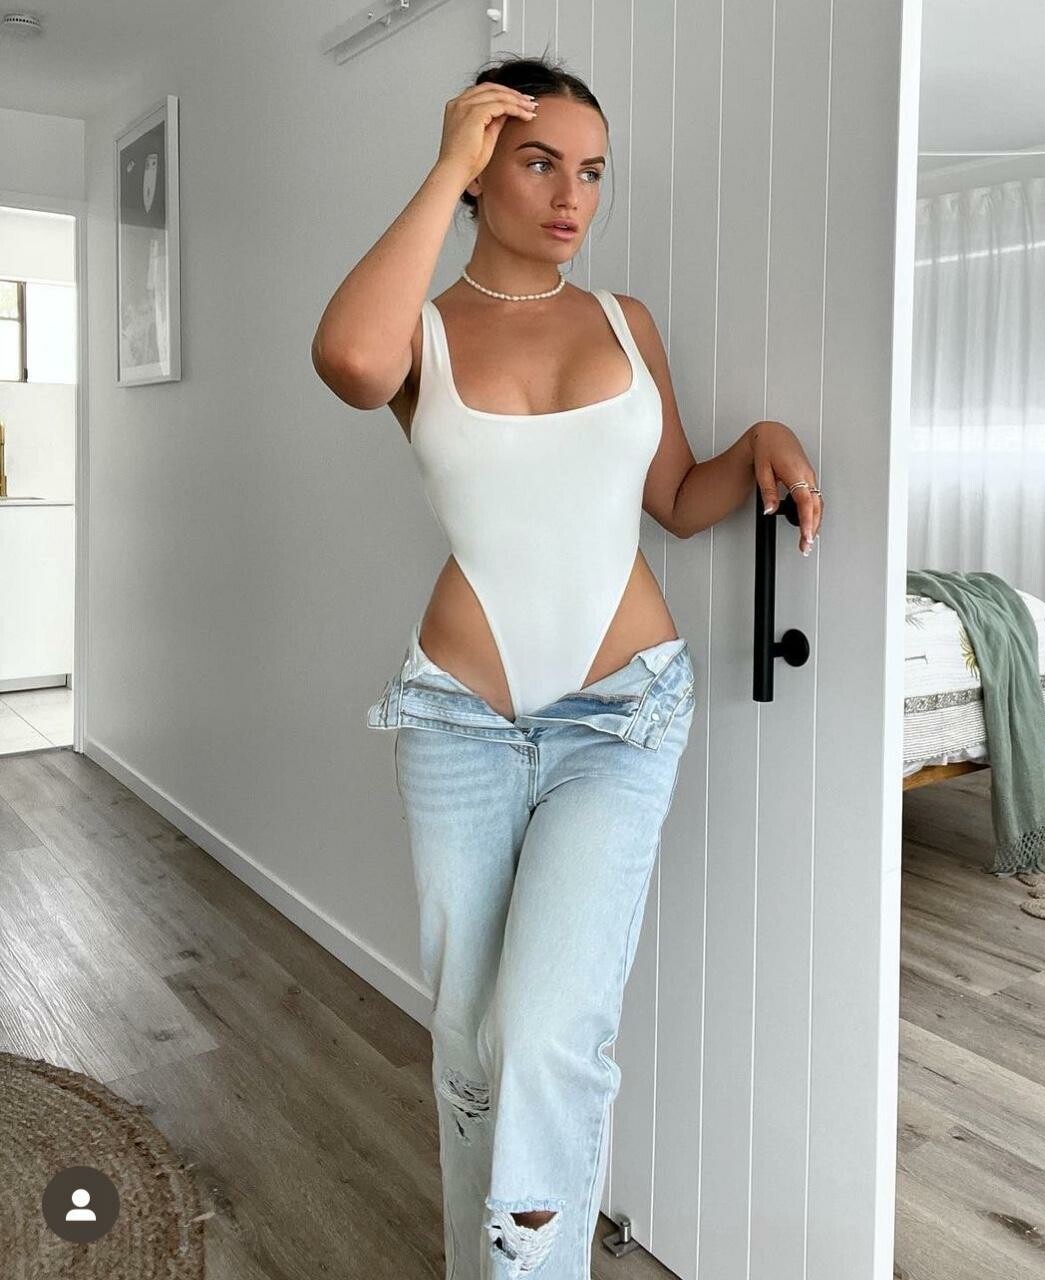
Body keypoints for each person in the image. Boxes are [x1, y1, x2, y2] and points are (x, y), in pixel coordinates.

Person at [312, 53, 823, 1280]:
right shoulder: (423, 333)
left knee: (546, 1033)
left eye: (590, 172)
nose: (569, 197)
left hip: (620, 715)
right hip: (458, 719)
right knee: (470, 1044)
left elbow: (676, 498)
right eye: (538, 162)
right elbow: (348, 363)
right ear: (479, 171)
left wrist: (759, 438)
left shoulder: (623, 322)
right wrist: (446, 160)